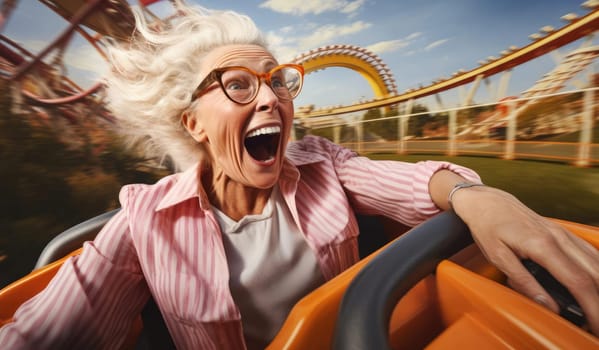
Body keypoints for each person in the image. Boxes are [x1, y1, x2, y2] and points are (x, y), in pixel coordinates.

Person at [1, 2, 598, 348]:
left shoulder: (326, 167)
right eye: (238, 85)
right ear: (193, 124)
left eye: (277, 81)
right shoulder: (140, 226)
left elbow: (418, 183)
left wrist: (477, 194)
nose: (271, 100)